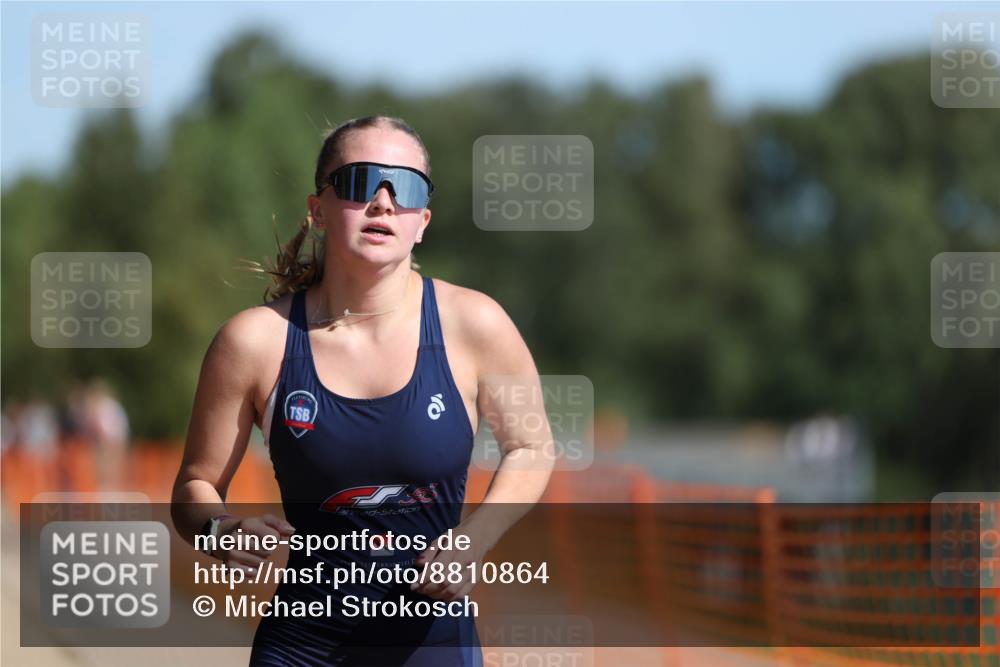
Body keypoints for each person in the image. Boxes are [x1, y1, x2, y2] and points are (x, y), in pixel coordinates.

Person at [171, 115, 554, 666]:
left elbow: (532, 445)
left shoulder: (475, 325)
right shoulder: (255, 342)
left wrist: (477, 537)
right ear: (317, 209)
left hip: (432, 644)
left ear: (422, 220)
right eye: (359, 181)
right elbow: (194, 485)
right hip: (303, 646)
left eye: (407, 188)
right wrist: (221, 531)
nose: (382, 201)